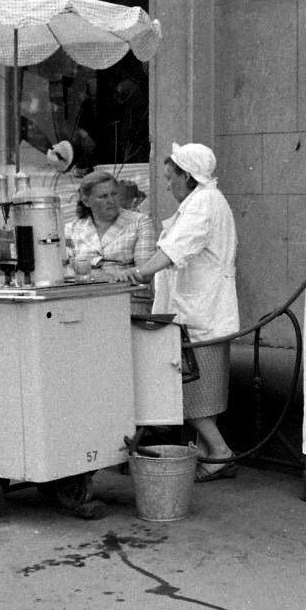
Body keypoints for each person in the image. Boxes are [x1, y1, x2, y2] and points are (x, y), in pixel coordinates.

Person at [118, 143, 240, 481]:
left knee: (189, 392)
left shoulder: (203, 204)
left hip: (200, 312)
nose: (168, 184)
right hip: (200, 310)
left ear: (187, 176)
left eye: (171, 178)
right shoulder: (202, 201)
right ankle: (207, 452)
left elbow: (175, 249)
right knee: (203, 391)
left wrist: (140, 272)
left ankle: (220, 453)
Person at [64, 170, 155, 277]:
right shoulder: (71, 229)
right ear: (86, 201)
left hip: (126, 290)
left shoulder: (140, 222)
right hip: (84, 291)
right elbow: (66, 271)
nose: (111, 201)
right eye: (103, 196)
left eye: (114, 194)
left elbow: (145, 271)